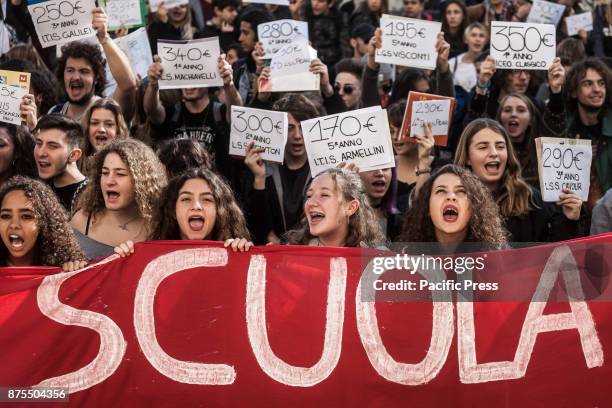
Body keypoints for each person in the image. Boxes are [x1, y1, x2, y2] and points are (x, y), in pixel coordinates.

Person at [454, 118, 584, 243]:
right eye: (483, 147)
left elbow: (554, 252)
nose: (494, 153)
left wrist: (569, 220)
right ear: (467, 158)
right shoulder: (452, 199)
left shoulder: (530, 198)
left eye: (500, 146)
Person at [114, 167, 253, 257]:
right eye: (186, 199)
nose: (196, 206)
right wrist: (126, 262)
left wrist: (246, 256)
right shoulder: (149, 258)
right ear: (173, 211)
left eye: (207, 200)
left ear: (219, 212)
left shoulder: (238, 254)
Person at [144, 53, 241, 176]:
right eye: (184, 78)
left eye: (195, 77)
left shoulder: (220, 113)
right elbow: (151, 110)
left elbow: (236, 111)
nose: (188, 84)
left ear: (209, 79)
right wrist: (153, 85)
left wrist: (228, 84)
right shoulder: (173, 113)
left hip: (214, 189)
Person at [70, 139, 167, 260]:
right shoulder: (82, 220)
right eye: (105, 173)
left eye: (120, 174)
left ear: (141, 181)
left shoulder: (159, 227)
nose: (109, 181)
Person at [243, 94, 319, 244]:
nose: (297, 135)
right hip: (273, 255)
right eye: (289, 128)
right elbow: (254, 226)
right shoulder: (263, 167)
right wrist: (259, 179)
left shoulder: (322, 170)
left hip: (311, 254)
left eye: (303, 127)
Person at [50, 8, 137, 121]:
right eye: (70, 70)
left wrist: (104, 38)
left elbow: (128, 86)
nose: (76, 77)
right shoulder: (54, 113)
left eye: (84, 71)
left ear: (96, 77)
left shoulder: (109, 112)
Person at [400, 164, 507, 246]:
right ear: (427, 207)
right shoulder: (408, 258)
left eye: (461, 191)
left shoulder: (497, 256)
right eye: (441, 191)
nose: (451, 196)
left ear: (474, 207)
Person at [0, 176, 85, 271]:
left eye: (26, 217)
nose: (14, 225)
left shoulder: (63, 271)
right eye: (5, 216)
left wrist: (74, 275)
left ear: (45, 224)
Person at [285, 168, 386, 247]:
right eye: (309, 196)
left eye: (324, 195)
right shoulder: (290, 255)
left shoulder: (375, 260)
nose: (310, 202)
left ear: (351, 207)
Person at [562, 58, 612, 206]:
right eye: (588, 84)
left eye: (601, 83)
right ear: (573, 92)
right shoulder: (564, 130)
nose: (597, 89)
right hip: (576, 218)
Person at [387, 102, 447, 213]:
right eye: (391, 131)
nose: (395, 137)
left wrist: (424, 161)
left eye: (401, 131)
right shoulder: (383, 169)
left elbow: (422, 210)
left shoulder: (443, 168)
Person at [33, 114, 88, 213]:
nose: (41, 153)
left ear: (74, 155)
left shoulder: (89, 196)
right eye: (39, 143)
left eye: (52, 146)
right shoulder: (39, 186)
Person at [79, 98, 130, 176]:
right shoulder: (74, 162)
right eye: (95, 123)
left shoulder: (130, 164)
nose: (101, 129)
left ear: (118, 129)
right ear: (87, 128)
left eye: (109, 124)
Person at [359, 167, 404, 241]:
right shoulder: (343, 220)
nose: (380, 173)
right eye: (371, 167)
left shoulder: (400, 223)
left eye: (385, 168)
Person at [449, 22, 487, 94]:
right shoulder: (452, 63)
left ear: (485, 40)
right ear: (466, 39)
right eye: (473, 35)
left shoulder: (490, 65)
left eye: (481, 36)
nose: (477, 39)